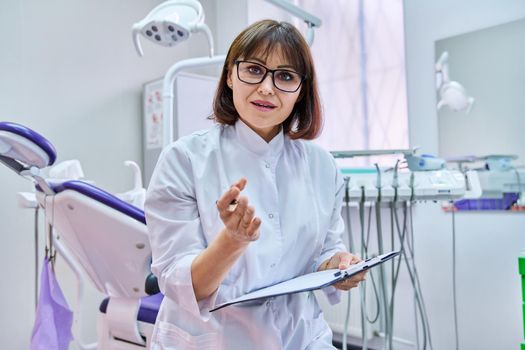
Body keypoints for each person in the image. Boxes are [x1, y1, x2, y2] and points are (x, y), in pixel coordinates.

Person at [145, 19, 366, 350]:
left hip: (301, 337)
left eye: (285, 76)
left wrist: (339, 266)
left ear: (301, 90)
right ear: (231, 76)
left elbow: (325, 251)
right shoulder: (184, 160)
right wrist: (231, 242)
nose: (266, 88)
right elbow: (182, 287)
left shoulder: (322, 167)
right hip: (213, 339)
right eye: (254, 70)